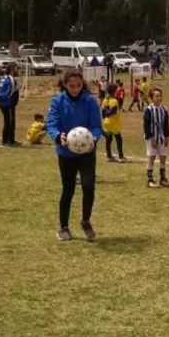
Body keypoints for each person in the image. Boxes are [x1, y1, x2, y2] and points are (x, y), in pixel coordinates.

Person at [45, 69, 103, 242]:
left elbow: (96, 125)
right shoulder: (57, 101)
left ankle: (86, 221)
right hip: (66, 153)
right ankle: (63, 227)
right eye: (72, 86)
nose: (76, 89)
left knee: (88, 186)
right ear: (65, 84)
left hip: (87, 153)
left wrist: (93, 138)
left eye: (78, 85)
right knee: (68, 189)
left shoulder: (90, 101)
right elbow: (51, 123)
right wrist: (58, 136)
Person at [144, 87, 169, 187]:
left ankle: (163, 178)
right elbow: (146, 126)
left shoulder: (164, 109)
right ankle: (150, 179)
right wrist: (151, 138)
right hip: (152, 136)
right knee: (152, 156)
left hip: (161, 136)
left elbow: (166, 124)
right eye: (156, 96)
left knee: (163, 156)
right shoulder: (149, 110)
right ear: (152, 98)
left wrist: (167, 136)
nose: (159, 98)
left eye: (160, 96)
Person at [102, 82, 127, 162]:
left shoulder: (105, 100)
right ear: (115, 91)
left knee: (108, 139)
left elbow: (103, 112)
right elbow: (113, 112)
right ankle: (121, 156)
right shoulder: (114, 101)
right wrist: (108, 113)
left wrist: (106, 116)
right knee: (118, 139)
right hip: (114, 122)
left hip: (106, 122)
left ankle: (109, 156)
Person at [0, 63, 20, 147]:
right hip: (7, 103)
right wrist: (10, 100)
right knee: (9, 122)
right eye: (16, 69)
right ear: (12, 70)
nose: (18, 71)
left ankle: (11, 139)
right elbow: (9, 92)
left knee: (10, 121)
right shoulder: (11, 80)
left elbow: (0, 89)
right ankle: (6, 141)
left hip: (4, 103)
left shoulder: (4, 78)